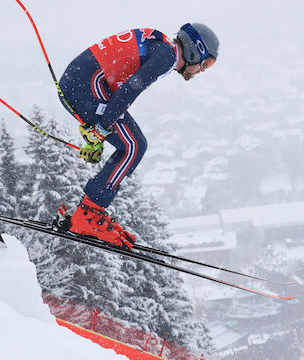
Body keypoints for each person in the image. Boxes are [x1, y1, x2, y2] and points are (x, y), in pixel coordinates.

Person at [57, 23, 219, 250]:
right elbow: (130, 90)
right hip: (86, 85)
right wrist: (102, 128)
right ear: (195, 50)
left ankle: (90, 211)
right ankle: (89, 214)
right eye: (207, 63)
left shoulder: (161, 46)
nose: (202, 69)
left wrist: (100, 131)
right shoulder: (166, 55)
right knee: (133, 146)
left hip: (82, 84)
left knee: (132, 143)